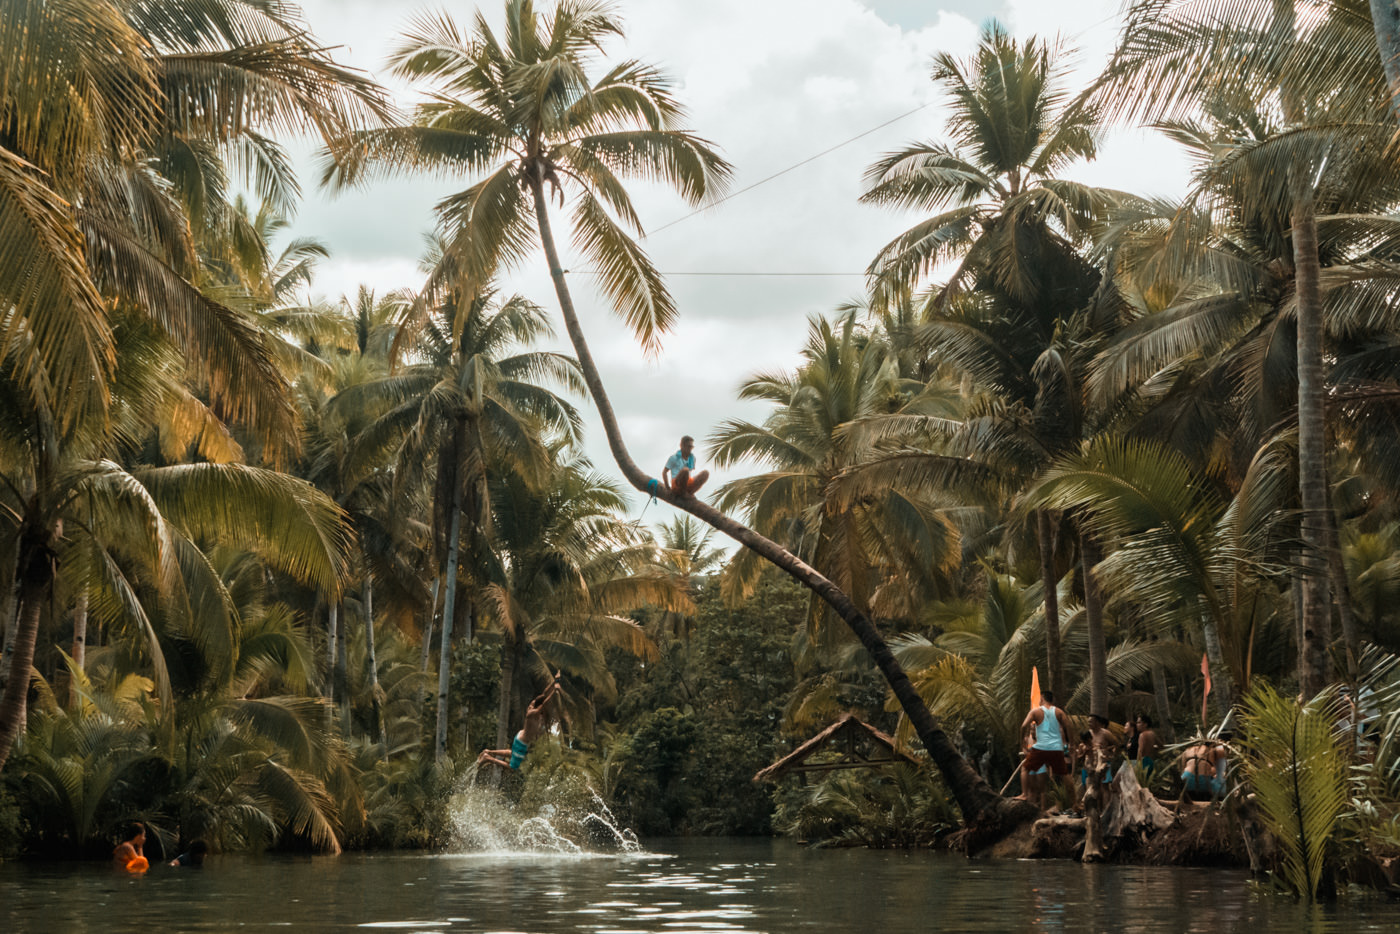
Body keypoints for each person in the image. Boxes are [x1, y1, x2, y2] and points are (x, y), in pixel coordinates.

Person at [477, 676, 563, 771]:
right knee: (513, 767)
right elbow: (545, 703)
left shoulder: (532, 706)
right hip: (522, 741)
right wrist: (554, 691)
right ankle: (488, 758)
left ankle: (489, 752)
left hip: (521, 737)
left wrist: (555, 682)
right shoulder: (533, 713)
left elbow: (544, 694)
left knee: (512, 753)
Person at [1017, 688, 1072, 809]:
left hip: (1041, 748)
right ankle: (1074, 801)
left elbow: (1023, 726)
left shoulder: (1035, 711)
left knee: (1025, 769)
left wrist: (1022, 743)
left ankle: (1024, 794)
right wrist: (1071, 743)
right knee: (1064, 773)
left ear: (1042, 699)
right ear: (1053, 700)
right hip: (1057, 748)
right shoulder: (1059, 712)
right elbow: (1068, 726)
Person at [1136, 714, 1160, 778]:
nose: (1137, 725)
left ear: (1145, 724)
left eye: (1139, 722)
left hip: (1144, 761)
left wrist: (1138, 765)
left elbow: (1140, 750)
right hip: (1151, 761)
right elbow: (1161, 745)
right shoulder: (1153, 734)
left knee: (1141, 784)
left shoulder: (1142, 735)